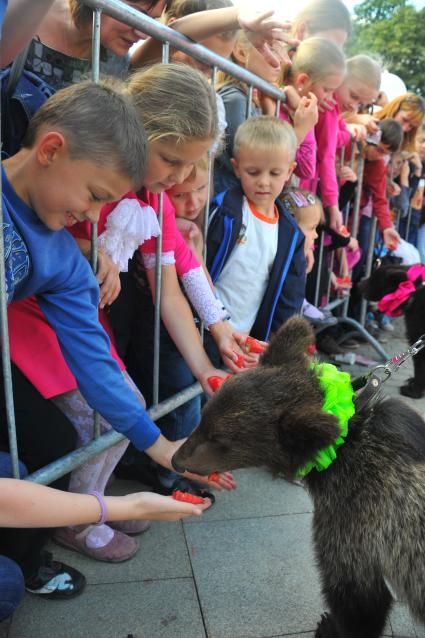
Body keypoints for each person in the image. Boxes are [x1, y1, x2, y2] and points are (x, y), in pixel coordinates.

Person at [2, 79, 235, 565]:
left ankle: (83, 513)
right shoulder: (66, 236)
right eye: (93, 196)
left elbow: (97, 362)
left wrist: (163, 449)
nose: (90, 216)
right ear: (50, 150)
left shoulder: (65, 255)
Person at [205, 116, 306, 369]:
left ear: (290, 172)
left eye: (274, 173)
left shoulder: (291, 233)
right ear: (236, 168)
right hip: (205, 331)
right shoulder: (223, 212)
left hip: (247, 343)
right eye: (253, 172)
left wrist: (274, 345)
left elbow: (290, 296)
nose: (263, 181)